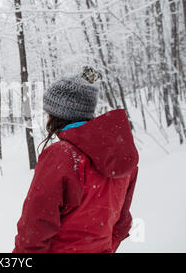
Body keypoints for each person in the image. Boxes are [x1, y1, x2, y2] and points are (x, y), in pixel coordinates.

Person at [13, 66, 139, 253]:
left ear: (57, 115)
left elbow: (35, 227)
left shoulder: (61, 155)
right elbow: (122, 223)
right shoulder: (121, 155)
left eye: (49, 112)